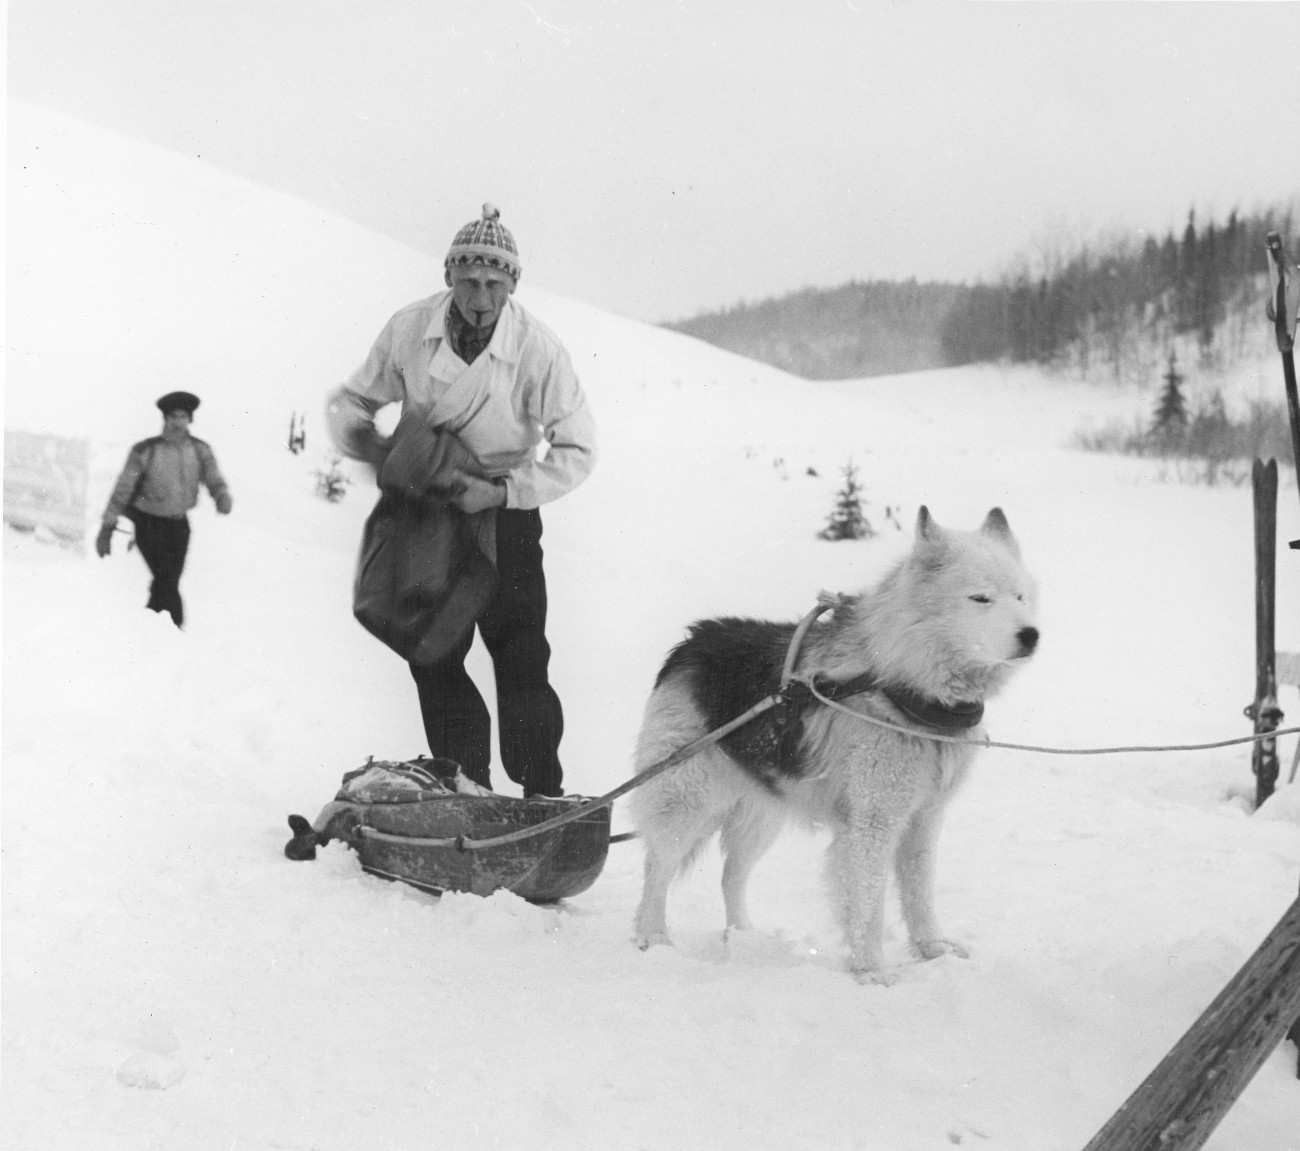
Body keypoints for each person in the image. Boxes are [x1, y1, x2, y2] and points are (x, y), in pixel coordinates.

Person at [327, 204, 596, 798]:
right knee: (432, 649)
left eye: (495, 283)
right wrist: (380, 450)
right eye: (470, 280)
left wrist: (502, 492)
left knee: (521, 655)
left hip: (507, 514)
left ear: (512, 285)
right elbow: (349, 401)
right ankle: (465, 787)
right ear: (450, 276)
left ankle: (540, 795)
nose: (480, 296)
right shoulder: (409, 330)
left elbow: (578, 448)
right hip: (426, 516)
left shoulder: (536, 349)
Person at [96, 391, 233, 628]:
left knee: (167, 581)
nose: (177, 422)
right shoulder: (146, 450)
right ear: (164, 419)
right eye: (172, 416)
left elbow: (214, 478)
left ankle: (153, 631)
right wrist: (107, 526)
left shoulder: (200, 450)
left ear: (190, 419)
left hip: (179, 526)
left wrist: (221, 496)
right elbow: (122, 490)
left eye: (182, 416)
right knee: (167, 581)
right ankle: (170, 632)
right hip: (149, 524)